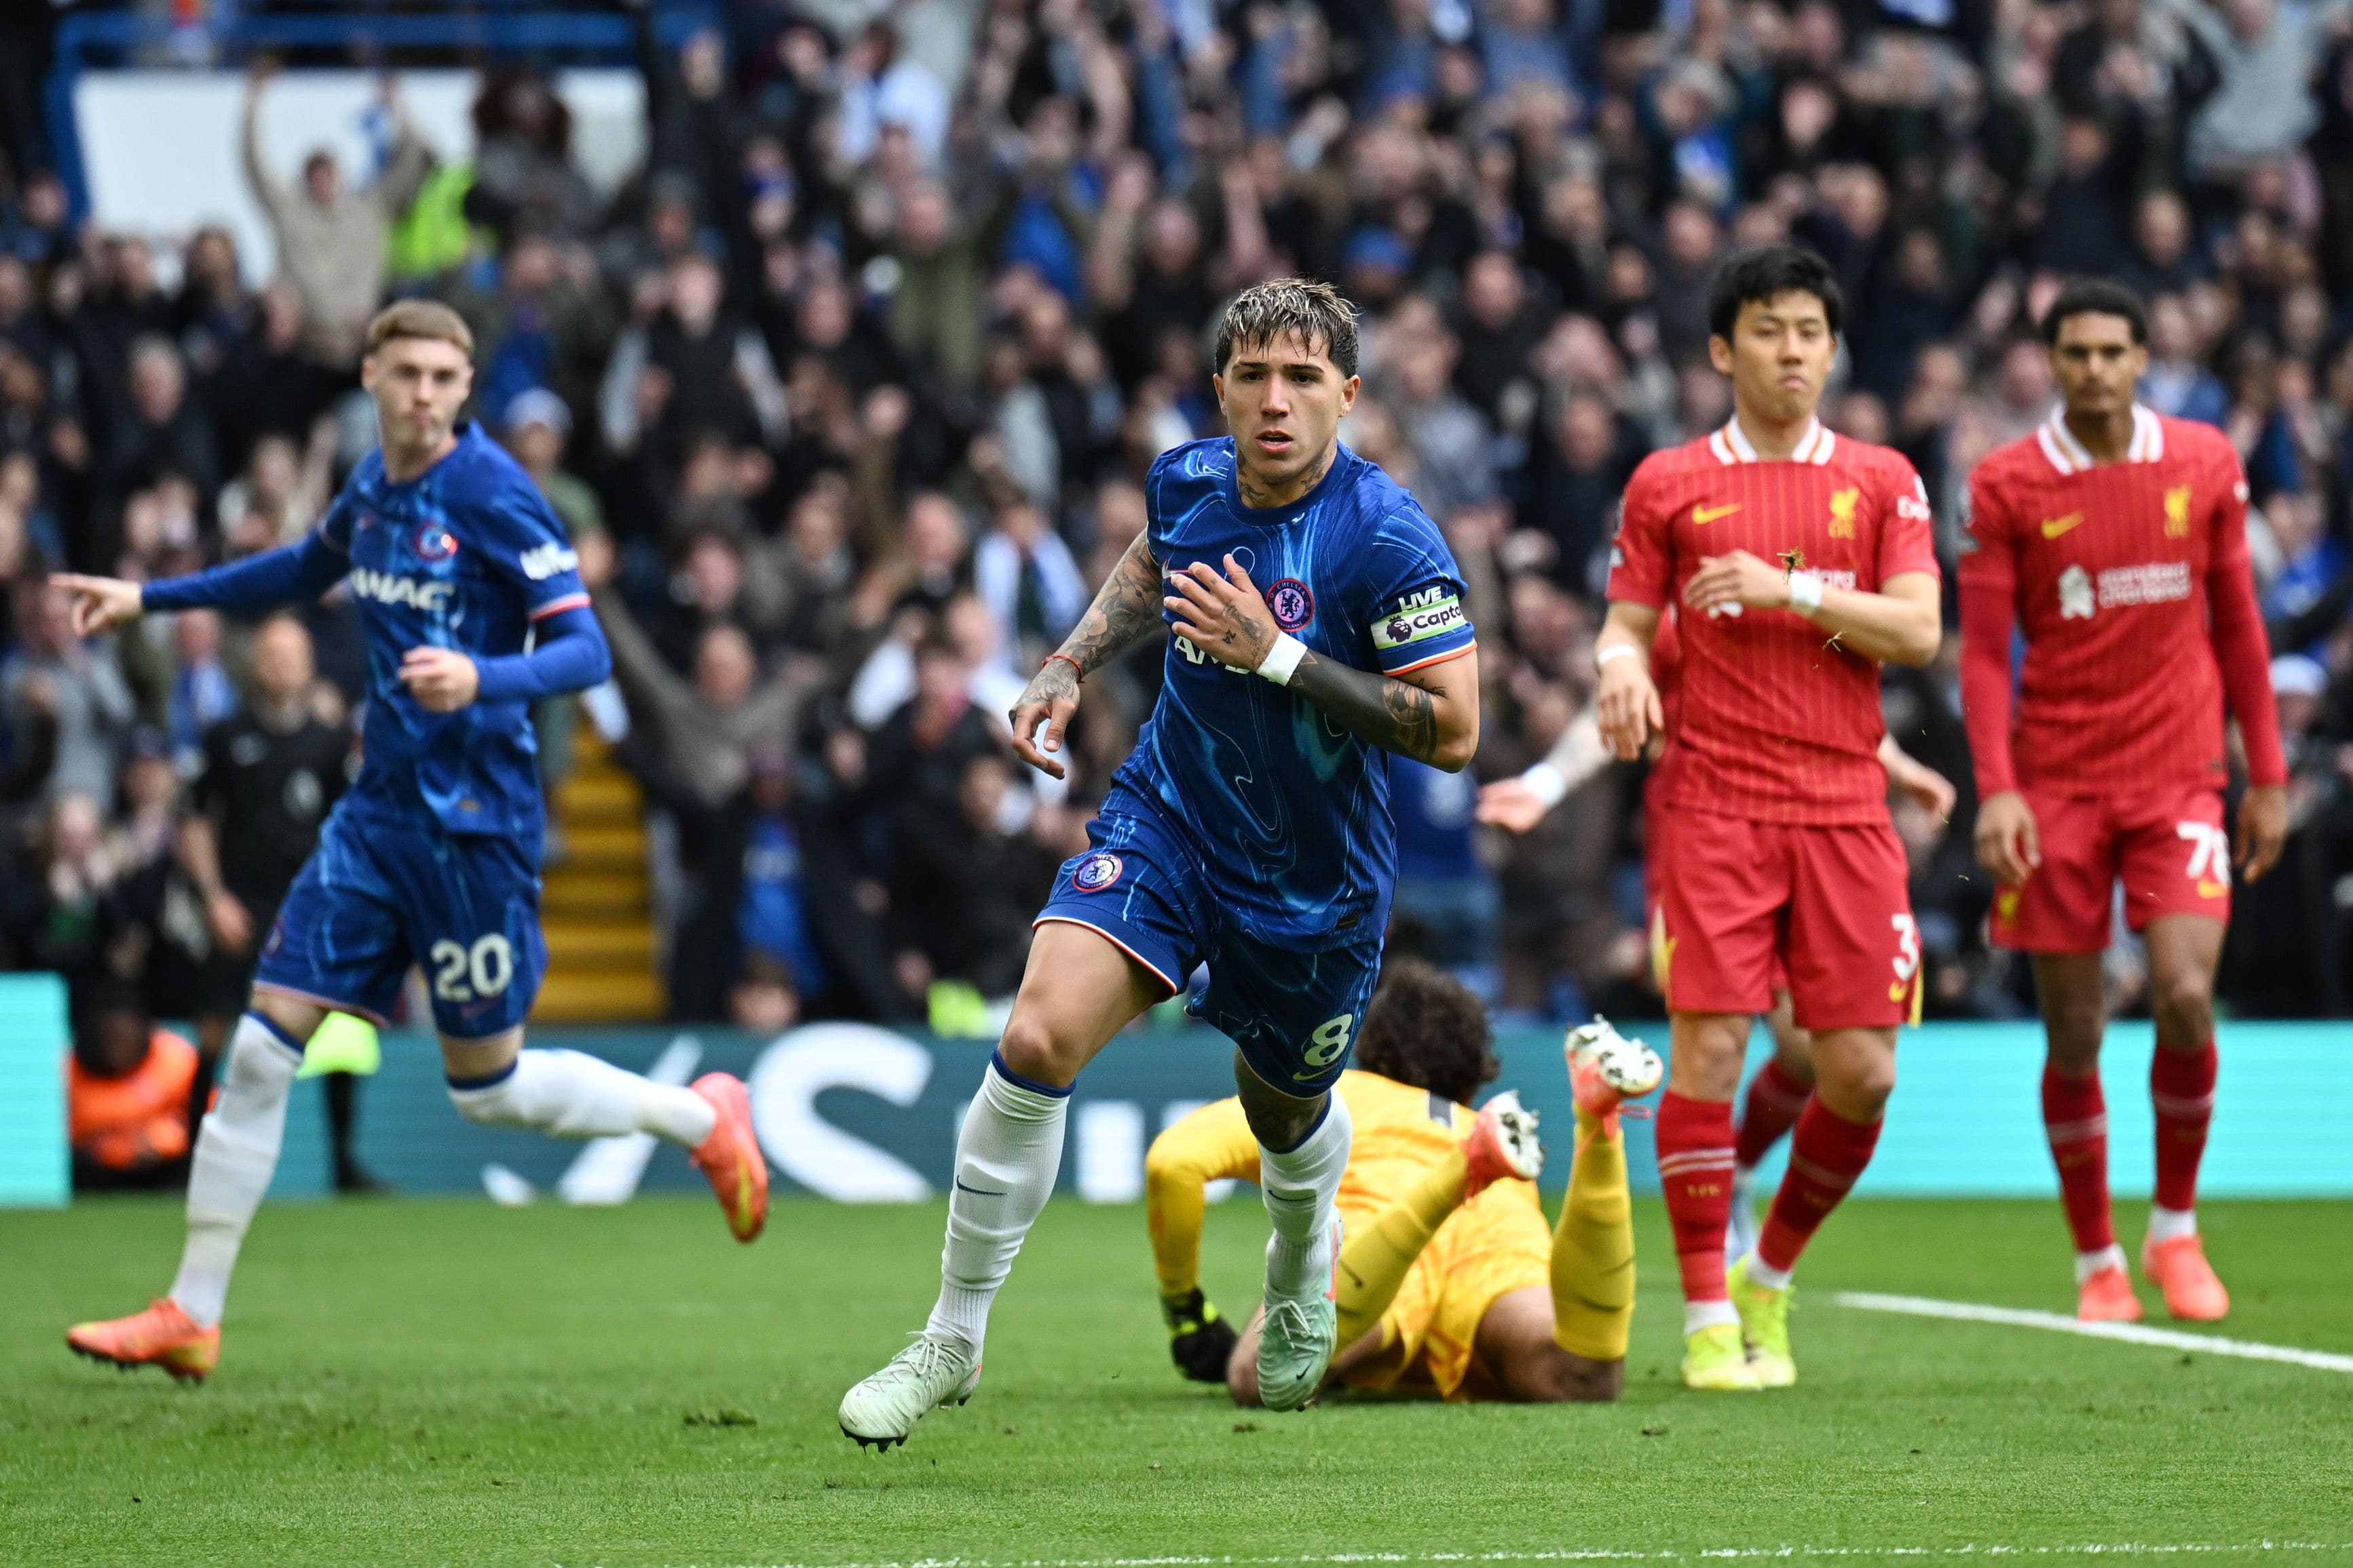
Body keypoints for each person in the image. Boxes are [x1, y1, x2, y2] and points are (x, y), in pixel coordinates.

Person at [52, 301, 768, 1385]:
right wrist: (150, 595)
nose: (424, 393)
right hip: (377, 812)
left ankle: (701, 1115)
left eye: (444, 375)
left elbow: (581, 652)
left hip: (474, 826)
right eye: (407, 373)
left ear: (466, 386)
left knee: (487, 1087)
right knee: (255, 1048)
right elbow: (294, 569)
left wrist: (486, 674)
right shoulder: (375, 488)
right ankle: (189, 1311)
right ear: (371, 376)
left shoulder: (493, 493)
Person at [837, 279, 1482, 1446]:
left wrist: (1280, 657)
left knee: (1279, 1111)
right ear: (1220, 389)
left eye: (1300, 378)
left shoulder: (1386, 537)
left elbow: (1455, 727)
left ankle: (1298, 1261)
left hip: (1312, 885)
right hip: (1169, 819)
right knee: (1035, 1036)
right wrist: (1069, 664)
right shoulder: (1188, 479)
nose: (1274, 401)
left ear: (1348, 394)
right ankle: (952, 1334)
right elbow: (1150, 563)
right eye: (1251, 377)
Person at [1594, 246, 1942, 1392]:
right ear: (1719, 348)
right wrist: (1620, 670)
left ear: (1831, 348)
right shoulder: (1666, 483)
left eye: (1807, 331)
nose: (1790, 350)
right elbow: (1626, 623)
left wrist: (1788, 588)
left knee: (1863, 1071)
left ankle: (1768, 1277)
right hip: (1715, 804)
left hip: (1844, 808)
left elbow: (1909, 633)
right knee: (1708, 1045)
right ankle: (1703, 1316)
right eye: (1766, 330)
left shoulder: (1885, 478)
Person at [1958, 278, 2287, 1325]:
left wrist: (2266, 773)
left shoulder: (2202, 462)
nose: (2092, 368)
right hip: (2054, 781)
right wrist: (1997, 790)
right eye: (2074, 352)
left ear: (2142, 357)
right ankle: (2096, 1254)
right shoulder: (2005, 483)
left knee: (2185, 995)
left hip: (2177, 773)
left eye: (2110, 350)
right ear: (2049, 364)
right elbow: (1977, 654)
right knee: (2074, 1029)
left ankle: (2174, 1227)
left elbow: (2236, 623)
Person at [1477, 595, 1959, 1267]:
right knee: (1715, 1052)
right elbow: (1611, 709)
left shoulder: (1797, 592)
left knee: (1802, 1054)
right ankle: (1709, 1289)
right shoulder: (1686, 605)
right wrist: (1546, 781)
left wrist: (1901, 770)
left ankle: (1733, 1172)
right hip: (1703, 853)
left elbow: (1833, 710)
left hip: (1803, 847)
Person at [1148, 961, 1661, 1406]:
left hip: (1378, 1247)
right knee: (1581, 1374)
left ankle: (1455, 1175)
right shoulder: (1483, 1124)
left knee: (1266, 1377)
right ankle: (1599, 1122)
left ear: (1367, 1045)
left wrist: (1184, 1308)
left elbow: (1174, 1162)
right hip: (1492, 1217)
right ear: (1474, 1072)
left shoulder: (1341, 1094)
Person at [180, 613, 379, 1193]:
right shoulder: (225, 735)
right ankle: (191, 1161)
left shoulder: (327, 740)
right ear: (254, 663)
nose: (282, 665)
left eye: (293, 655)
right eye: (272, 654)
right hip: (240, 905)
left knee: (341, 1035)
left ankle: (344, 1164)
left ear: (309, 663)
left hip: (309, 910)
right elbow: (195, 819)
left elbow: (349, 825)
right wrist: (213, 896)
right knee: (215, 1031)